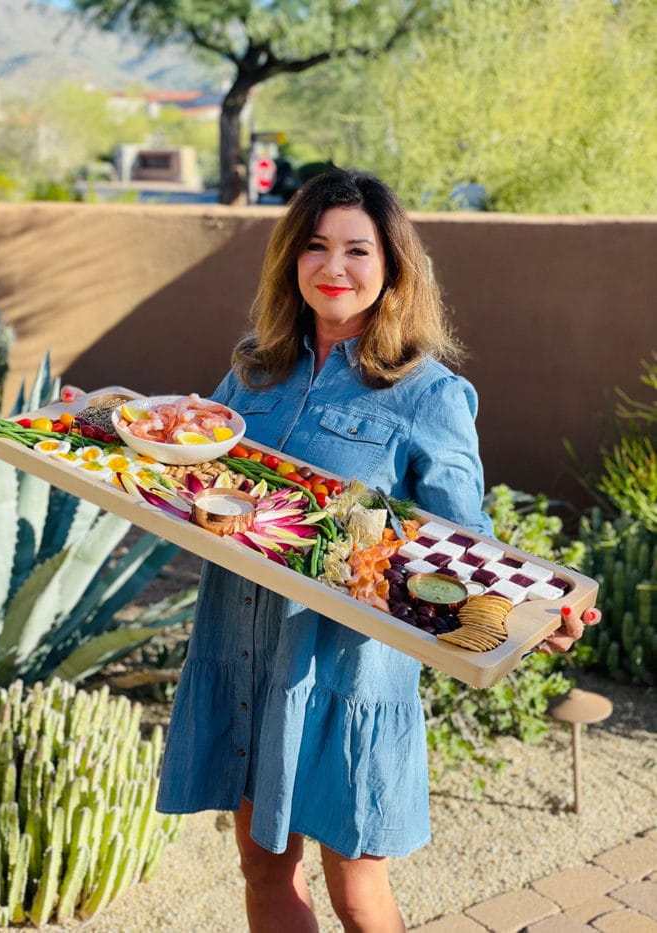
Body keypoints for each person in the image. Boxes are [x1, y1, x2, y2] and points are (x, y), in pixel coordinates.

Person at [155, 168, 601, 933]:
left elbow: (466, 541)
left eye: (358, 250)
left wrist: (535, 609)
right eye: (316, 247)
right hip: (244, 647)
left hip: (345, 666)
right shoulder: (253, 368)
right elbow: (196, 464)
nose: (334, 268)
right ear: (291, 259)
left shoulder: (429, 394)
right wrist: (94, 436)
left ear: (393, 266)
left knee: (356, 889)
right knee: (263, 868)